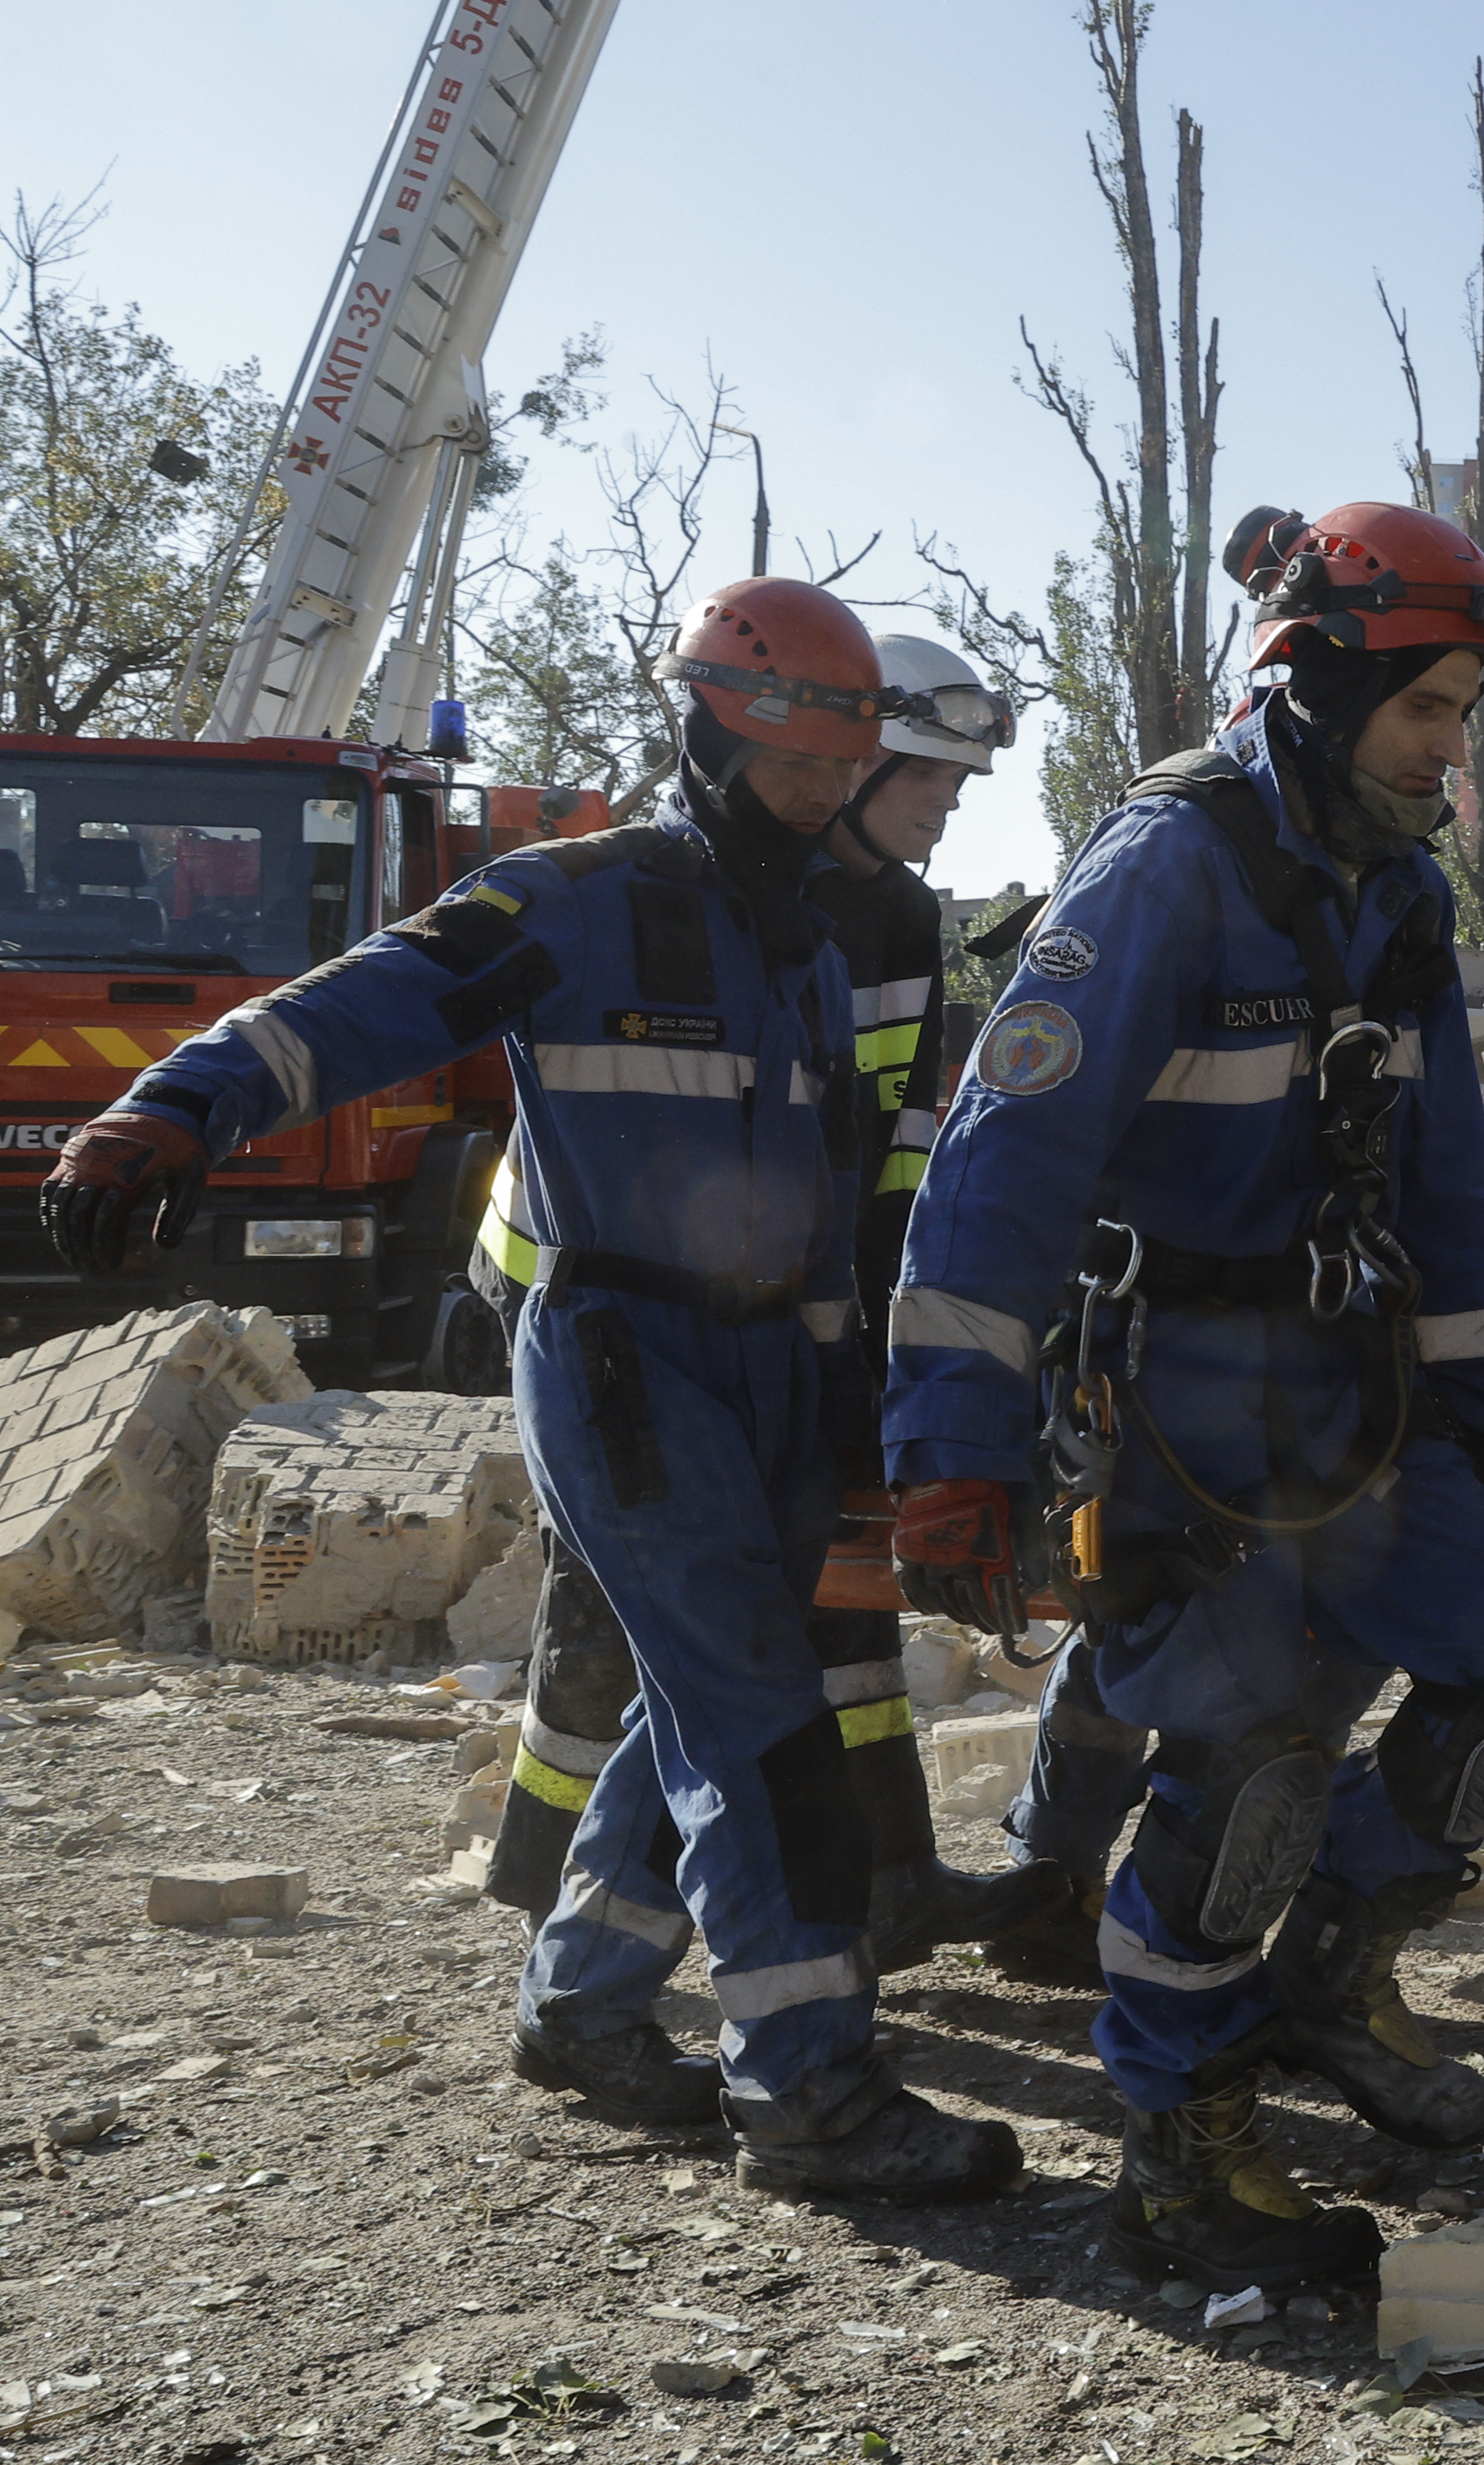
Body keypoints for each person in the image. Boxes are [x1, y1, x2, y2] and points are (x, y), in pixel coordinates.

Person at [45, 580, 1018, 2202]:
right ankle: (816, 2094)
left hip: (781, 1359)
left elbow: (841, 1170)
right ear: (709, 730)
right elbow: (353, 1005)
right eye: (787, 763)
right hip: (632, 1367)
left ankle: (579, 2008)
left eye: (834, 768)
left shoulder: (812, 933)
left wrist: (866, 1379)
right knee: (770, 1733)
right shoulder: (582, 897)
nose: (814, 795)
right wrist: (169, 1109)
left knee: (696, 1703)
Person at [881, 500, 1484, 2291]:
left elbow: (1443, 1181)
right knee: (1248, 1773)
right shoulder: (1161, 871)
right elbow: (1001, 1173)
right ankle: (1178, 2145)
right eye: (1424, 711)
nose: (1447, 752)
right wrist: (953, 1449)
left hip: (1353, 1393)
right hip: (1181, 1397)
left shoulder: (1401, 893)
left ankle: (1313, 1986)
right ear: (1314, 684)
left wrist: (1478, 1410)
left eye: (1459, 717)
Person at [484, 632, 1058, 1973]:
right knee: (617, 1621)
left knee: (828, 1605)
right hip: (603, 1312)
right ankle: (547, 1892)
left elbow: (888, 1154)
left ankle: (890, 1875)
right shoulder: (684, 892)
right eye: (925, 776)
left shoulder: (898, 922)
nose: (944, 804)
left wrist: (878, 1341)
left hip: (780, 1305)